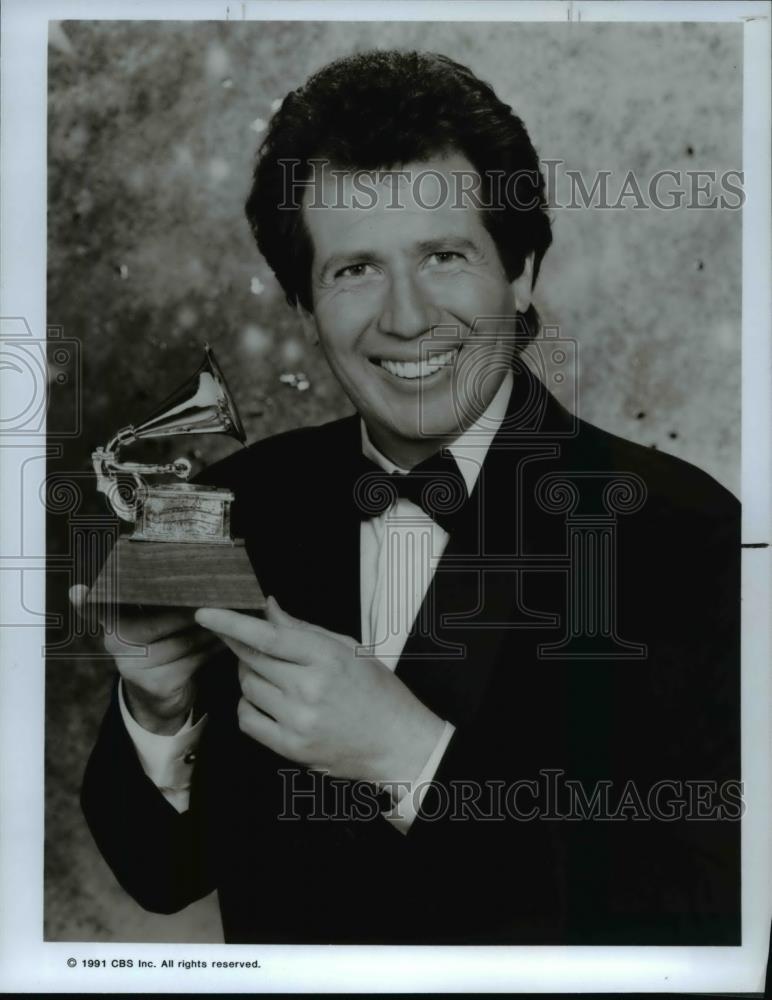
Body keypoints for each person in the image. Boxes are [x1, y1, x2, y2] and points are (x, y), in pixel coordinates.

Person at [74, 50, 741, 945]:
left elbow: (711, 915)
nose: (407, 317)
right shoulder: (238, 507)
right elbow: (161, 877)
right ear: (306, 308)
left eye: (444, 255)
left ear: (522, 273)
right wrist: (161, 709)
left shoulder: (684, 531)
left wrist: (408, 757)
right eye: (354, 271)